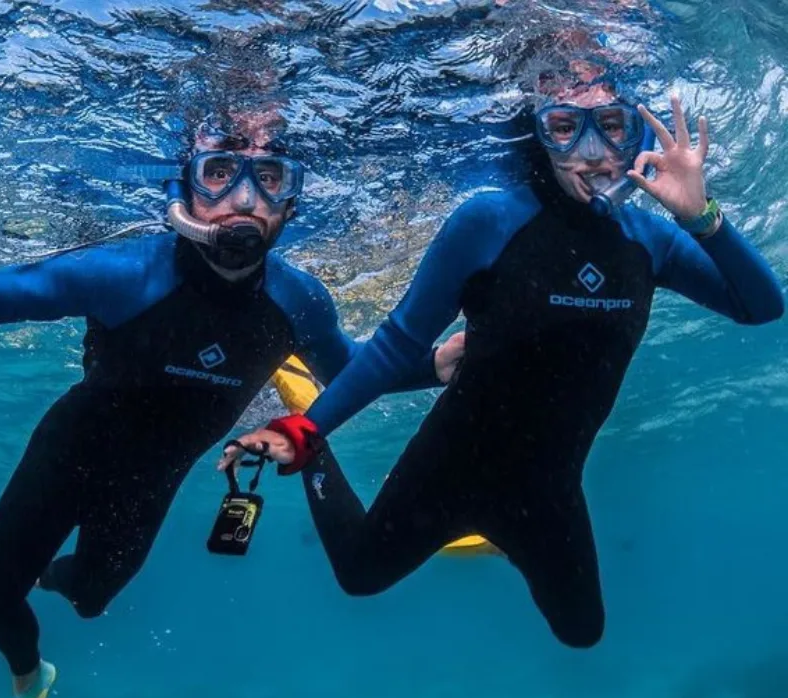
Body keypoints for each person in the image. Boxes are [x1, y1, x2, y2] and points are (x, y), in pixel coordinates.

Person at [0, 115, 460, 698]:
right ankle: (32, 677)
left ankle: (45, 575)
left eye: (269, 178)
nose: (245, 198)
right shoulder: (125, 274)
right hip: (68, 450)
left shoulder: (299, 300)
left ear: (291, 203)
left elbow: (353, 370)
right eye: (220, 173)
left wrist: (435, 365)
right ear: (185, 190)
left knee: (92, 600)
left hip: (150, 482)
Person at [221, 84, 784, 649]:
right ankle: (317, 444)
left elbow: (761, 306)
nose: (591, 152)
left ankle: (501, 533)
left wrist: (701, 217)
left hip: (548, 489)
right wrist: (307, 429)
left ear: (633, 138)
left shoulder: (651, 240)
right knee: (360, 576)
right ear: (540, 135)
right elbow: (397, 343)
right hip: (447, 468)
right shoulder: (490, 220)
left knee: (582, 632)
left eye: (610, 126)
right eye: (565, 128)